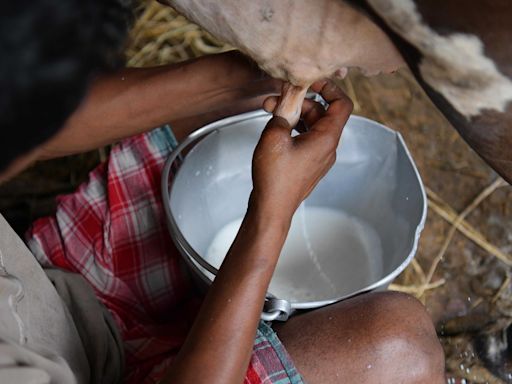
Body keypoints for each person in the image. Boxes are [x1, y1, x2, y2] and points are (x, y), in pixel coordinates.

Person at [0, 0, 445, 383]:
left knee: (248, 105)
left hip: (56, 291)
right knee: (400, 352)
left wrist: (249, 75)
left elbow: (37, 112)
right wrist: (271, 215)